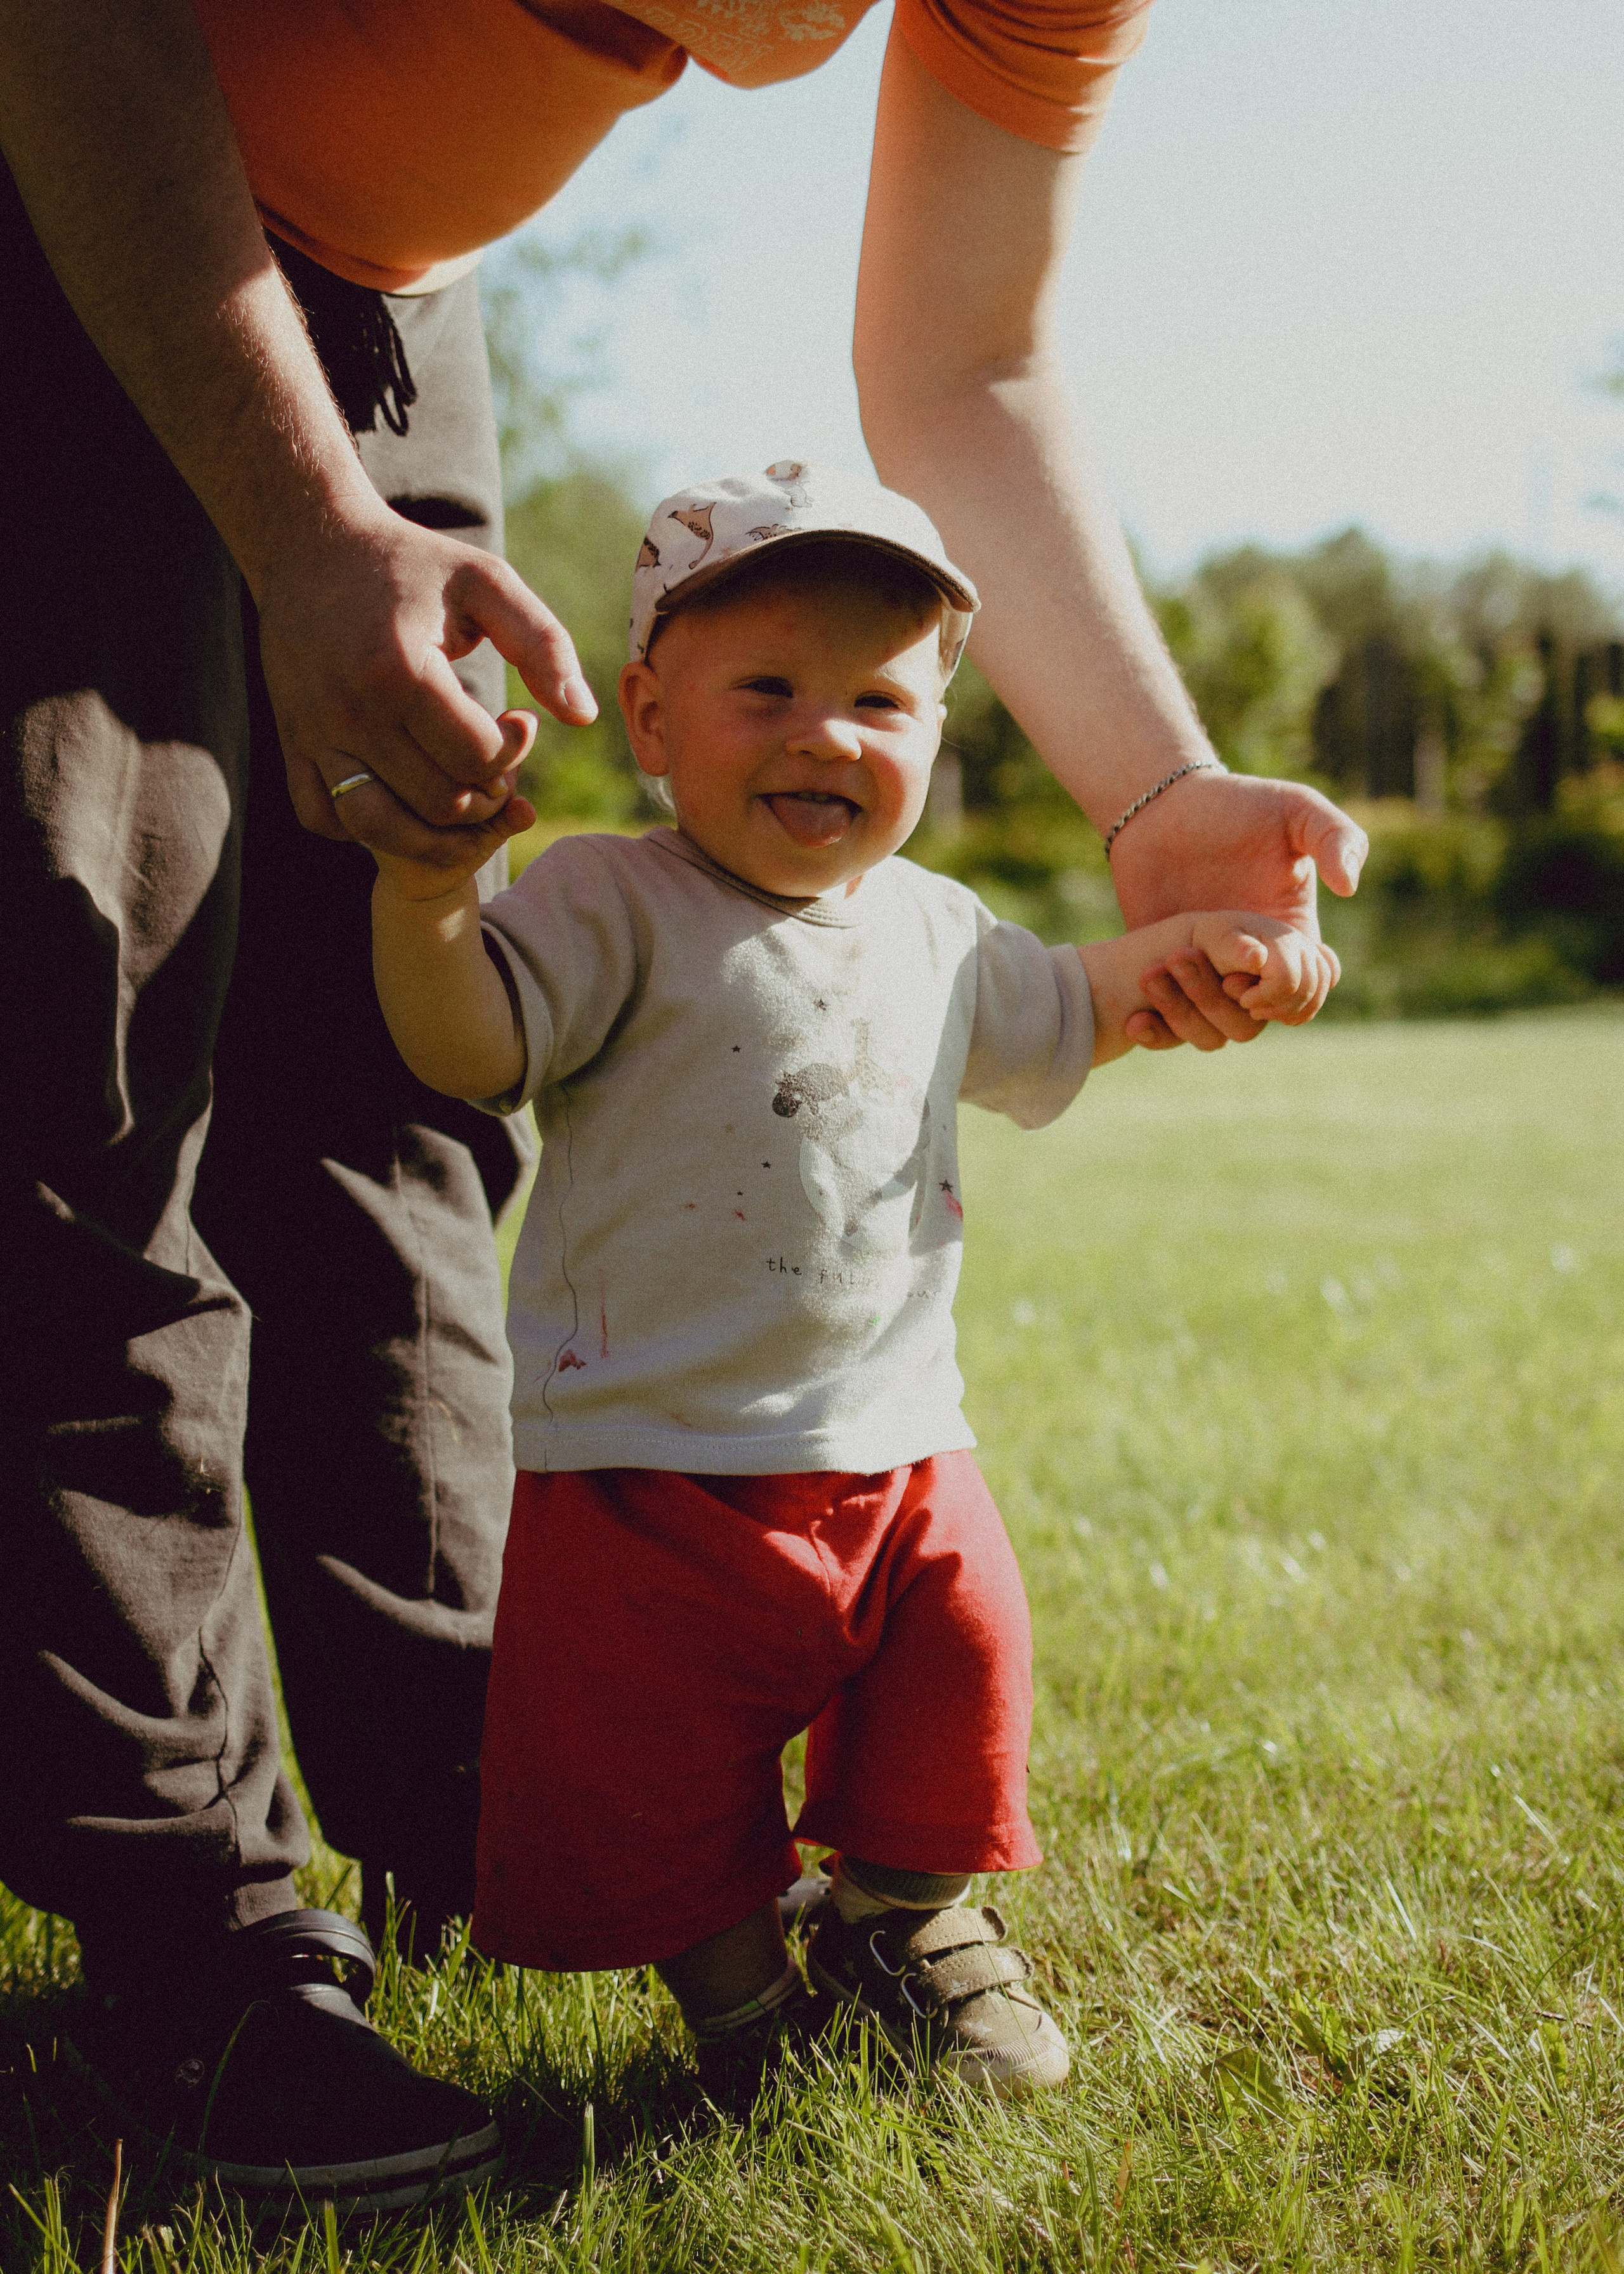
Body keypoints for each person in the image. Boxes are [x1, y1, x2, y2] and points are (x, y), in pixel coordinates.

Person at [0, 0, 1366, 2205]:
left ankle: (481, 1797)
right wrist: (295, 520)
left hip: (388, 285)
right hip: (74, 171)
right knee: (84, 1043)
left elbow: (970, 360)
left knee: (392, 1090)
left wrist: (1163, 794)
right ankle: (197, 1930)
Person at [362, 466, 1339, 2108]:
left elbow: (1092, 998)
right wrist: (428, 894)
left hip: (897, 1443)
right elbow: (471, 1046)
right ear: (658, 719)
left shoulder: (940, 933)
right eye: (771, 691)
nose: (829, 735)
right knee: (653, 1780)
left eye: (881, 701)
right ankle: (748, 2014)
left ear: (937, 737)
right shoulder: (611, 901)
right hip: (649, 1449)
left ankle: (898, 1923)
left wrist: (1230, 946)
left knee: (963, 1683)